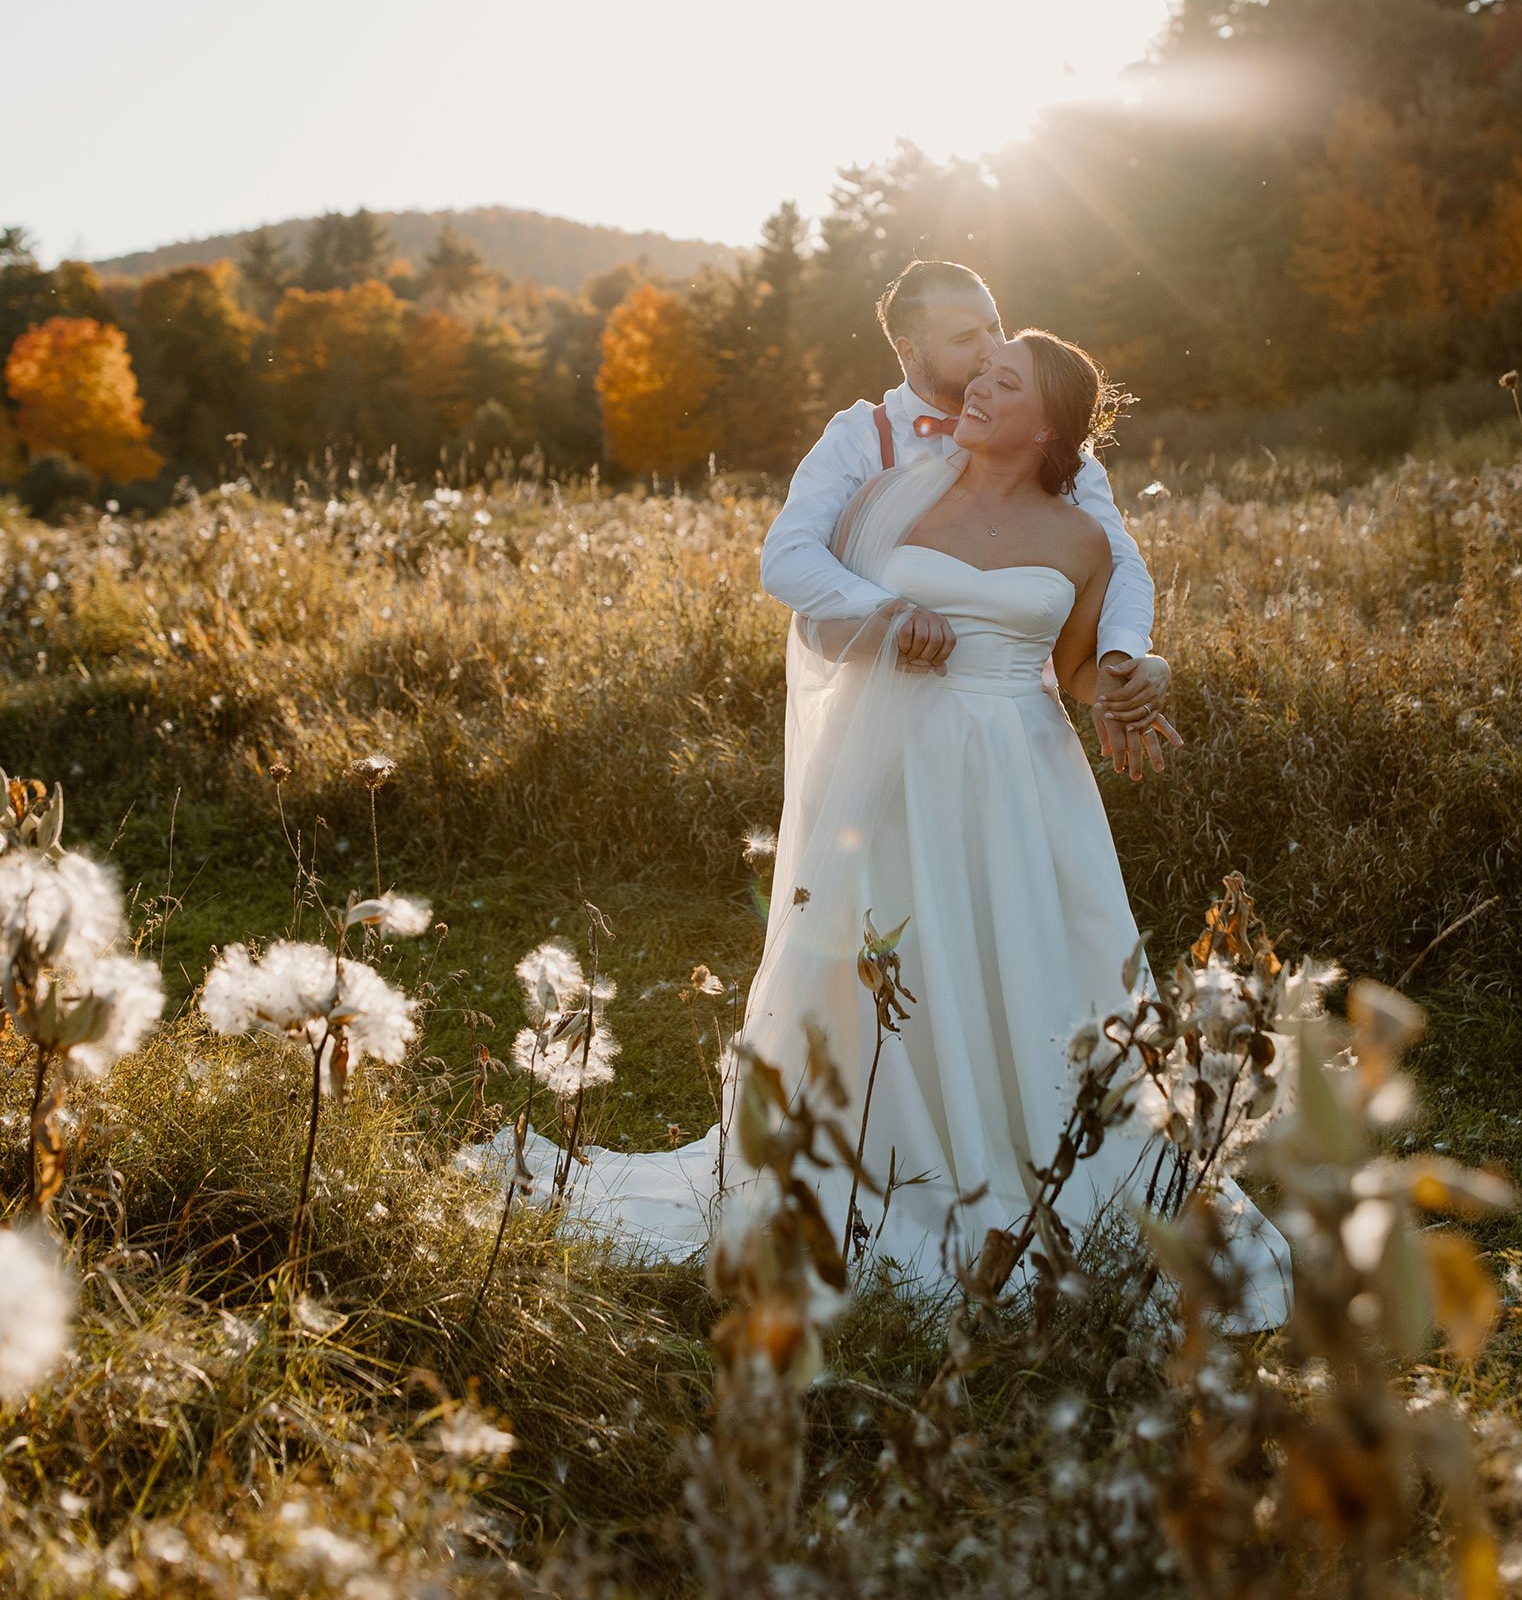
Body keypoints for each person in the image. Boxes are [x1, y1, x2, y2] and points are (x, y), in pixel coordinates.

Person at [525, 326, 1291, 1327]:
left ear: (1047, 424)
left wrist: (1131, 682)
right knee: (887, 964)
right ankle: (885, 1162)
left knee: (1039, 959)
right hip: (895, 771)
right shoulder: (896, 495)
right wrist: (888, 617)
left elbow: (1072, 668)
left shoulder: (1083, 537)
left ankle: (1067, 1172)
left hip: (1022, 775)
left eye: (1003, 382)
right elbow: (825, 621)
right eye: (981, 372)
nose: (977, 386)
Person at [761, 259, 1180, 776]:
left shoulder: (1056, 448)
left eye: (994, 325)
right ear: (908, 352)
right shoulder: (860, 438)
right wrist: (891, 613)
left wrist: (1122, 655)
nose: (989, 348)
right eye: (965, 338)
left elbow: (1117, 561)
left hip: (1011, 735)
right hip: (885, 740)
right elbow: (787, 557)